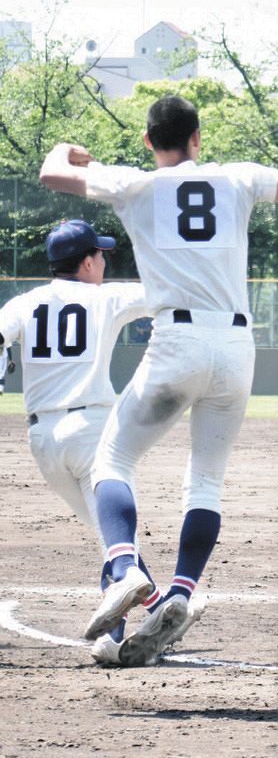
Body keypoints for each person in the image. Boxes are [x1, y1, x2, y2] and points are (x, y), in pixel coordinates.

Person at [39, 95, 278, 665]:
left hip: (177, 342)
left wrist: (67, 150)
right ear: (199, 136)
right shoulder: (237, 177)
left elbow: (52, 172)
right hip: (237, 345)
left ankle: (123, 568)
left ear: (150, 142)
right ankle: (183, 590)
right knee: (206, 482)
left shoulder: (133, 185)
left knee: (112, 463)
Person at [0, 220, 209, 666]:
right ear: (89, 260)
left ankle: (158, 611)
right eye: (102, 254)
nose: (105, 260)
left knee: (110, 537)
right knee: (118, 548)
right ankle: (116, 638)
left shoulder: (24, 302)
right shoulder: (106, 295)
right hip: (94, 430)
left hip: (42, 440)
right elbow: (168, 294)